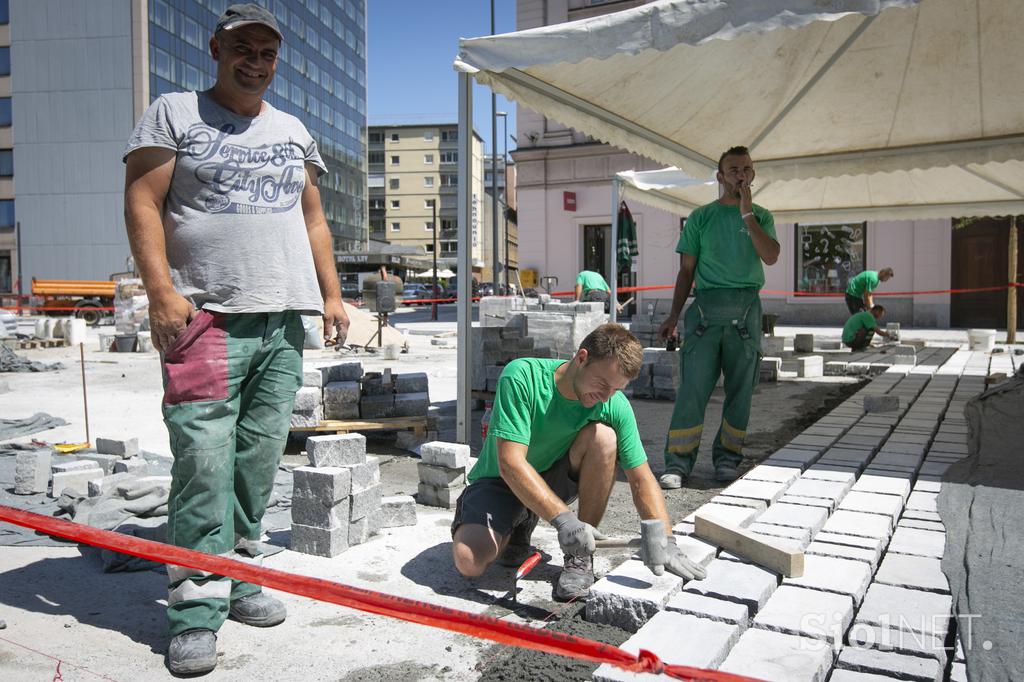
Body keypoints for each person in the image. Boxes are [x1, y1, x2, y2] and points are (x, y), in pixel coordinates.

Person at [122, 4, 349, 675]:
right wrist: (160, 291)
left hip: (282, 320)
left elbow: (313, 220)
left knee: (255, 463)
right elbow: (141, 197)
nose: (256, 63)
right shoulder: (174, 113)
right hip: (207, 318)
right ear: (216, 48)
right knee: (203, 464)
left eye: (268, 53)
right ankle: (194, 612)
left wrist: (331, 294)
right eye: (243, 49)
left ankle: (241, 580)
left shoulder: (291, 129)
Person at [451, 323, 707, 601]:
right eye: (602, 384)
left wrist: (666, 538)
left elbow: (641, 478)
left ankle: (580, 555)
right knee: (470, 561)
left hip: (553, 478)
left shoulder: (613, 403)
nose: (606, 396)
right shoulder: (522, 376)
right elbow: (510, 463)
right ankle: (518, 523)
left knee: (604, 438)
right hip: (500, 482)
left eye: (616, 389)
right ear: (582, 358)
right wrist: (564, 521)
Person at [657, 146, 780, 489]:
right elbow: (686, 272)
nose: (741, 174)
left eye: (746, 169)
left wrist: (747, 214)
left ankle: (727, 460)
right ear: (720, 176)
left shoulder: (762, 216)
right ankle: (678, 462)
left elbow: (770, 256)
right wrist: (673, 315)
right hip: (706, 311)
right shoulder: (701, 218)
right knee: (693, 390)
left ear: (752, 175)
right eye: (733, 169)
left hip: (746, 311)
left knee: (740, 391)